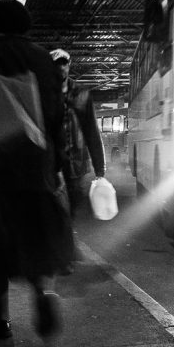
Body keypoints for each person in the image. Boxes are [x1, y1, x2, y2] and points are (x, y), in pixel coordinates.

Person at [0, 0, 72, 339]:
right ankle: (43, 292)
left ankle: (1, 318)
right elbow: (55, 116)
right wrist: (58, 163)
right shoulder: (41, 57)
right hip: (36, 162)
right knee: (37, 230)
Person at [51, 48, 105, 219]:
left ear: (69, 65)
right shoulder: (45, 94)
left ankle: (67, 236)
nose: (61, 68)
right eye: (57, 65)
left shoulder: (82, 94)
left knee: (72, 207)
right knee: (56, 210)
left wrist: (99, 167)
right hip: (53, 164)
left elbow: (91, 131)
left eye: (64, 64)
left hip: (77, 162)